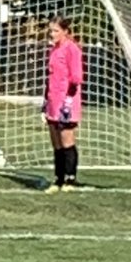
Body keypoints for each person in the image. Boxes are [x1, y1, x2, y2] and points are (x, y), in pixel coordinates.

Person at [43, 14, 84, 191]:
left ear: (65, 31)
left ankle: (70, 179)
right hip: (53, 101)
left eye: (56, 31)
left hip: (66, 100)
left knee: (67, 139)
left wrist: (67, 101)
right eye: (50, 30)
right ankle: (58, 178)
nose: (52, 34)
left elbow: (76, 78)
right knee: (56, 142)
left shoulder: (72, 49)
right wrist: (45, 102)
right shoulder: (54, 50)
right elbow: (50, 77)